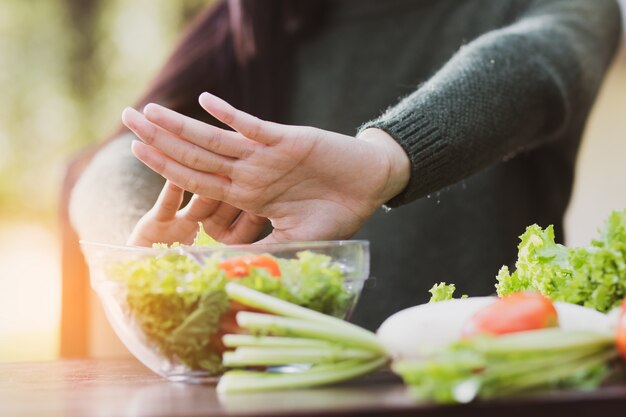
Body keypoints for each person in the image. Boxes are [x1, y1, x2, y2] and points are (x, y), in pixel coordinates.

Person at [70, 0, 622, 330]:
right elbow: (113, 164)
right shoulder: (259, 22)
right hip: (277, 390)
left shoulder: (558, 8)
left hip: (476, 387)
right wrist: (152, 263)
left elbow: (539, 60)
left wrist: (385, 157)